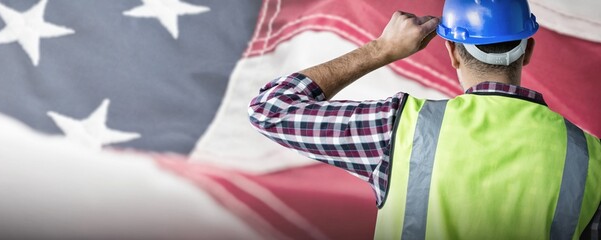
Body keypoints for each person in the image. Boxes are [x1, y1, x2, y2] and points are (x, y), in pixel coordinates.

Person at [247, 0, 601, 239]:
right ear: (528, 51)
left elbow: (271, 109)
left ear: (451, 51)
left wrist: (382, 49)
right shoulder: (592, 158)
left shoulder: (399, 128)